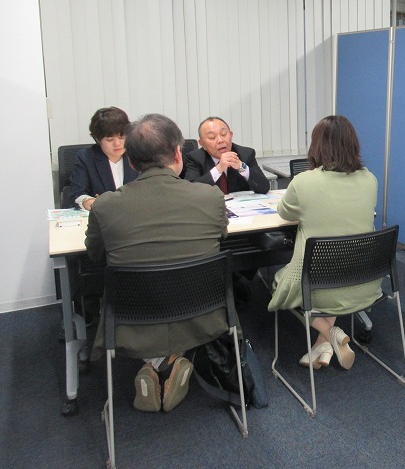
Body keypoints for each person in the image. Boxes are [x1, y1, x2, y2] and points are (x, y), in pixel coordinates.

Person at [86, 114, 228, 412]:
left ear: (132, 162)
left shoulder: (106, 206)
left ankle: (155, 364)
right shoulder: (210, 196)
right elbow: (221, 237)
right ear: (178, 153)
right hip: (202, 312)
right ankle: (169, 360)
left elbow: (94, 254)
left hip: (132, 321)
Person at [268, 116, 380, 371]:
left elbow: (284, 212)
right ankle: (323, 345)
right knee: (333, 262)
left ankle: (331, 334)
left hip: (320, 282)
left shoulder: (304, 181)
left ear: (317, 145)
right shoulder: (370, 179)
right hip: (365, 279)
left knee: (279, 282)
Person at [69, 107, 139, 210]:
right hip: (102, 215)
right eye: (110, 139)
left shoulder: (137, 154)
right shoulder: (86, 157)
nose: (117, 143)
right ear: (98, 140)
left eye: (121, 137)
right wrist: (91, 202)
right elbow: (77, 193)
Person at [183, 116, 271, 194]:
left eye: (224, 134)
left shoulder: (245, 154)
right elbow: (191, 191)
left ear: (231, 135)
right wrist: (219, 169)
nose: (220, 140)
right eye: (212, 137)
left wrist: (242, 167)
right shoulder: (195, 158)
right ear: (202, 144)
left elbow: (264, 188)